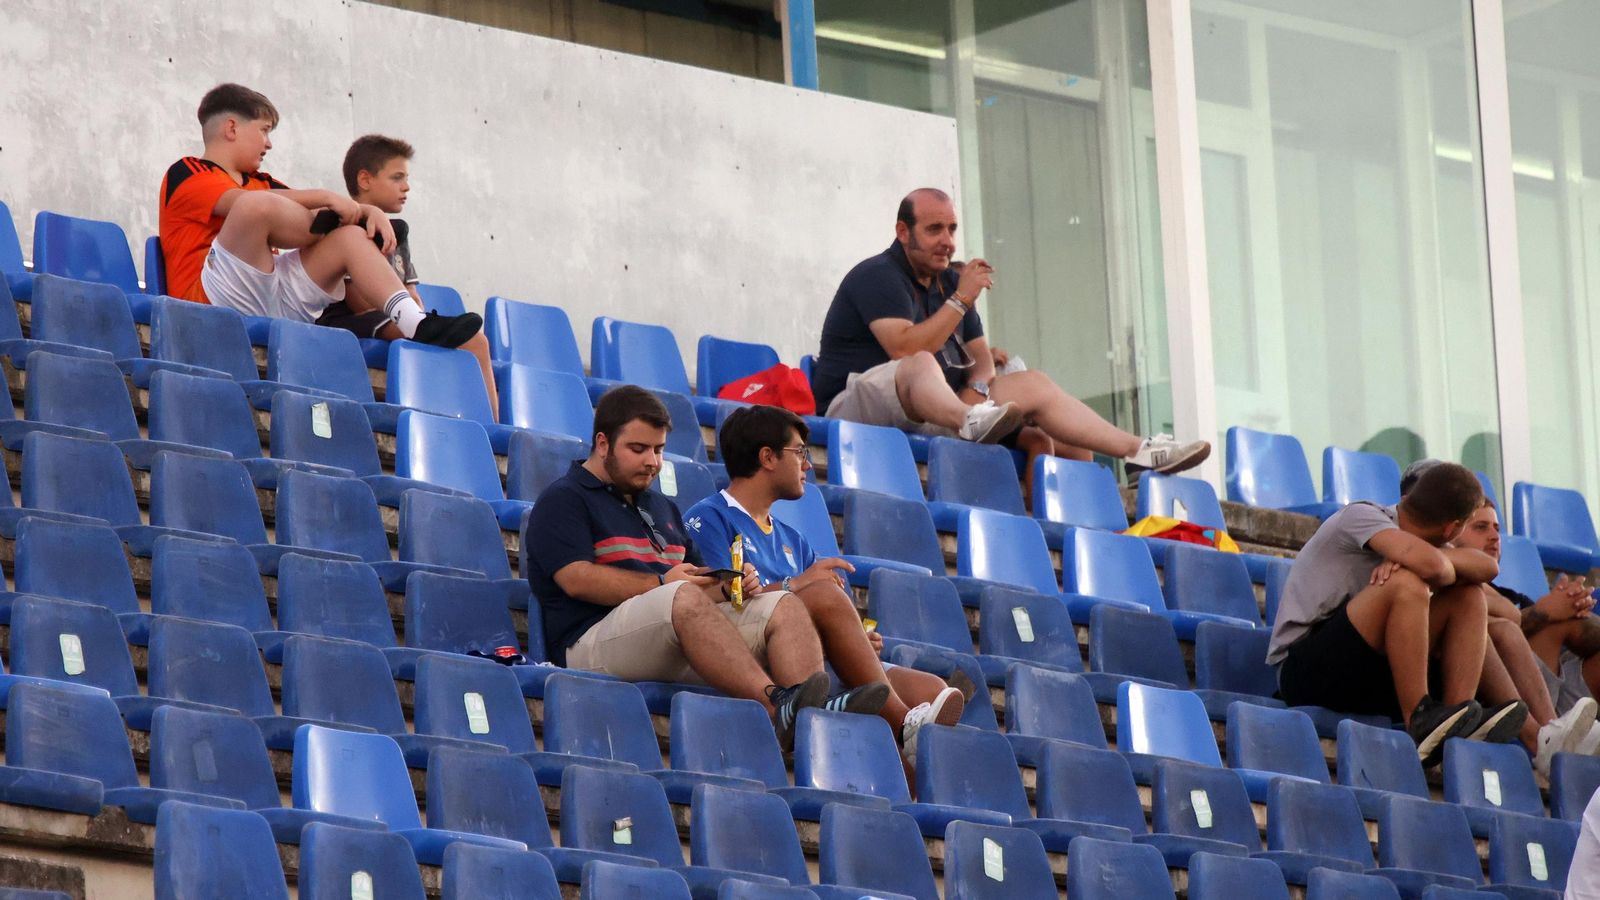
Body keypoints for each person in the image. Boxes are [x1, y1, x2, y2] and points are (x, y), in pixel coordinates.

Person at [522, 386, 885, 749]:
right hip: (590, 643)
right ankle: (776, 706)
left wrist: (729, 587)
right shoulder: (564, 499)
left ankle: (811, 717)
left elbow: (701, 581)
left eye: (659, 450)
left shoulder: (663, 509)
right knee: (681, 595)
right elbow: (576, 579)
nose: (652, 461)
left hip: (670, 635)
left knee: (785, 606)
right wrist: (662, 583)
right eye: (639, 449)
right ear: (602, 444)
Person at [811, 187, 1208, 475]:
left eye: (952, 229)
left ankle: (1138, 450)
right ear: (903, 232)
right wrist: (961, 301)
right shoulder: (878, 276)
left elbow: (982, 359)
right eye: (934, 230)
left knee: (1033, 383)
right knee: (918, 362)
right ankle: (969, 420)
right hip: (856, 411)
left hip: (943, 410)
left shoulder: (950, 281)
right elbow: (903, 349)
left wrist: (978, 391)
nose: (947, 242)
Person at [683, 404, 966, 763]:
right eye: (799, 452)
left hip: (812, 658)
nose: (806, 464)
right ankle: (900, 721)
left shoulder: (793, 538)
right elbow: (718, 602)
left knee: (931, 689)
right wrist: (799, 584)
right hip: (753, 655)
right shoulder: (708, 518)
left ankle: (906, 809)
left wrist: (855, 641)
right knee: (821, 593)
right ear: (767, 457)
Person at [158, 83, 481, 349]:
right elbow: (243, 203)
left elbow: (293, 208)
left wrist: (366, 211)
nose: (269, 143)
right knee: (254, 206)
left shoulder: (263, 182)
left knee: (349, 237)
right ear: (231, 128)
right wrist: (330, 200)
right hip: (207, 302)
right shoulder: (187, 171)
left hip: (270, 298)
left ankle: (413, 321)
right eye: (264, 130)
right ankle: (325, 226)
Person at [1268, 460, 1514, 766]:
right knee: (1406, 584)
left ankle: (1455, 718)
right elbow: (1434, 567)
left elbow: (1488, 567)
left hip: (1367, 669)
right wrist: (1417, 561)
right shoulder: (1362, 515)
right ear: (1452, 527)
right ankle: (1419, 718)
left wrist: (1416, 556)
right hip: (1306, 672)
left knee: (1469, 595)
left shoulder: (1431, 543)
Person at [339, 134, 498, 417]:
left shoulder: (397, 231)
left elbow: (411, 291)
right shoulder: (346, 227)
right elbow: (356, 301)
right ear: (365, 180)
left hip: (398, 317)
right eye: (397, 178)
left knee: (478, 341)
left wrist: (418, 314)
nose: (406, 187)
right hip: (358, 319)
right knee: (434, 334)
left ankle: (491, 430)